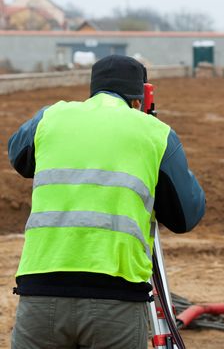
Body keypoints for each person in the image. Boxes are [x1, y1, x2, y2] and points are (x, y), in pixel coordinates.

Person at [8, 55, 205, 349]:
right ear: (139, 98)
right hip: (116, 302)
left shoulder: (51, 117)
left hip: (40, 294)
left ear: (93, 89)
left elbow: (18, 156)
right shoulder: (155, 133)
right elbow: (187, 215)